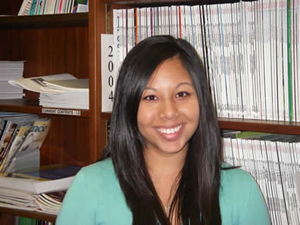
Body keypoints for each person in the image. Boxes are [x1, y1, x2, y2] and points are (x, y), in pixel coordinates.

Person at [56, 35, 271, 225]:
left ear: (201, 100)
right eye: (150, 97)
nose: (169, 112)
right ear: (130, 107)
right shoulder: (89, 187)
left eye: (182, 94)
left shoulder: (242, 191)